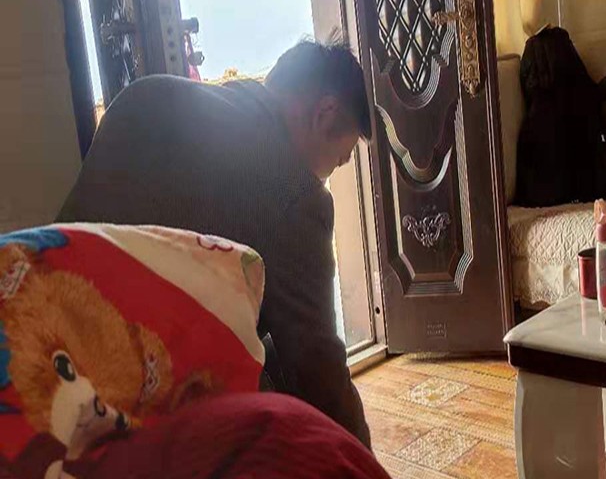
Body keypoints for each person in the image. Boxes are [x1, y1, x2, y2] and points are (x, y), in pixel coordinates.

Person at [57, 40, 372, 447]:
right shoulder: (296, 192)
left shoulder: (145, 94)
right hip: (117, 408)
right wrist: (367, 462)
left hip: (31, 345)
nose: (326, 176)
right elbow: (317, 364)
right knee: (280, 385)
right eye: (338, 160)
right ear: (324, 114)